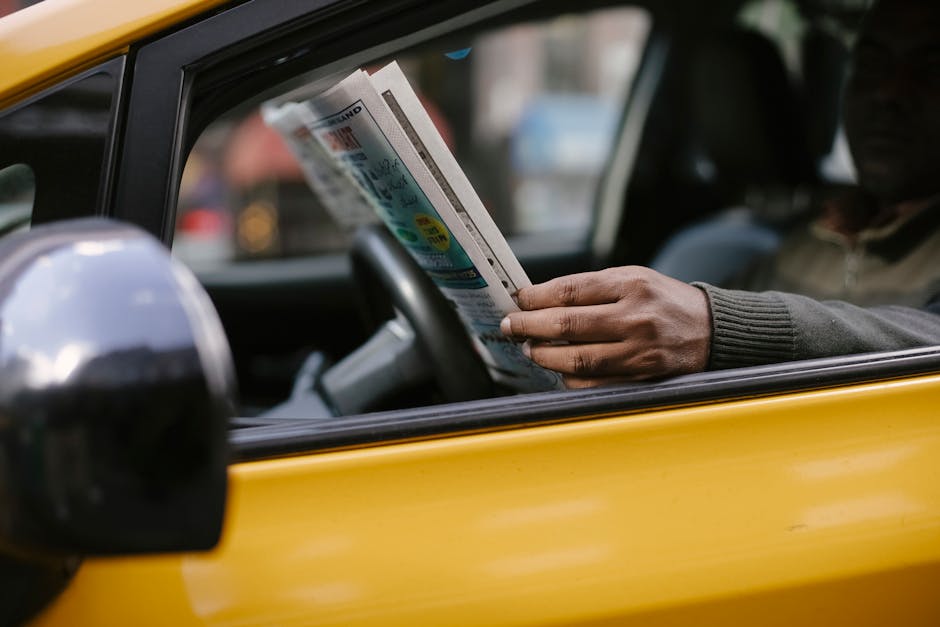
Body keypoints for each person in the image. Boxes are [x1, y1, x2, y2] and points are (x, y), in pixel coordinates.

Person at [500, 0, 940, 388]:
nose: (889, 93)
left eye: (930, 67)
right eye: (872, 65)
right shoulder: (811, 237)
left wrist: (716, 327)